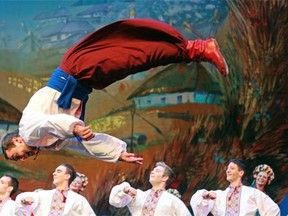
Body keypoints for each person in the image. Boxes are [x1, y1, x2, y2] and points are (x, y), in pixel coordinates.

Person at [1, 18, 228, 162]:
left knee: (134, 55)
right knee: (135, 56)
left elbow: (50, 123)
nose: (22, 158)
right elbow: (84, 145)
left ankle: (199, 49)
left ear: (17, 141)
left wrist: (75, 128)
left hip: (76, 70)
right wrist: (117, 153)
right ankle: (197, 50)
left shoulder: (28, 131)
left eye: (16, 156)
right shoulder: (48, 143)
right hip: (85, 79)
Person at [190, 159, 280, 216]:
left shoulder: (252, 193)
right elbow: (199, 208)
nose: (228, 170)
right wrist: (205, 195)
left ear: (241, 173)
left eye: (232, 168)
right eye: (227, 168)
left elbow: (273, 210)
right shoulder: (220, 195)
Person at [109, 161, 191, 216]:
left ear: (165, 177)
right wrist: (125, 189)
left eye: (157, 171)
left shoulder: (172, 200)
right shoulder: (139, 196)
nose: (152, 172)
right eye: (153, 170)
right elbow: (114, 200)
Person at [15, 163, 96, 216]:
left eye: (58, 171)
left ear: (67, 176)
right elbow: (22, 201)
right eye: (55, 171)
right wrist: (24, 200)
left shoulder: (78, 200)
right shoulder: (43, 195)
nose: (54, 173)